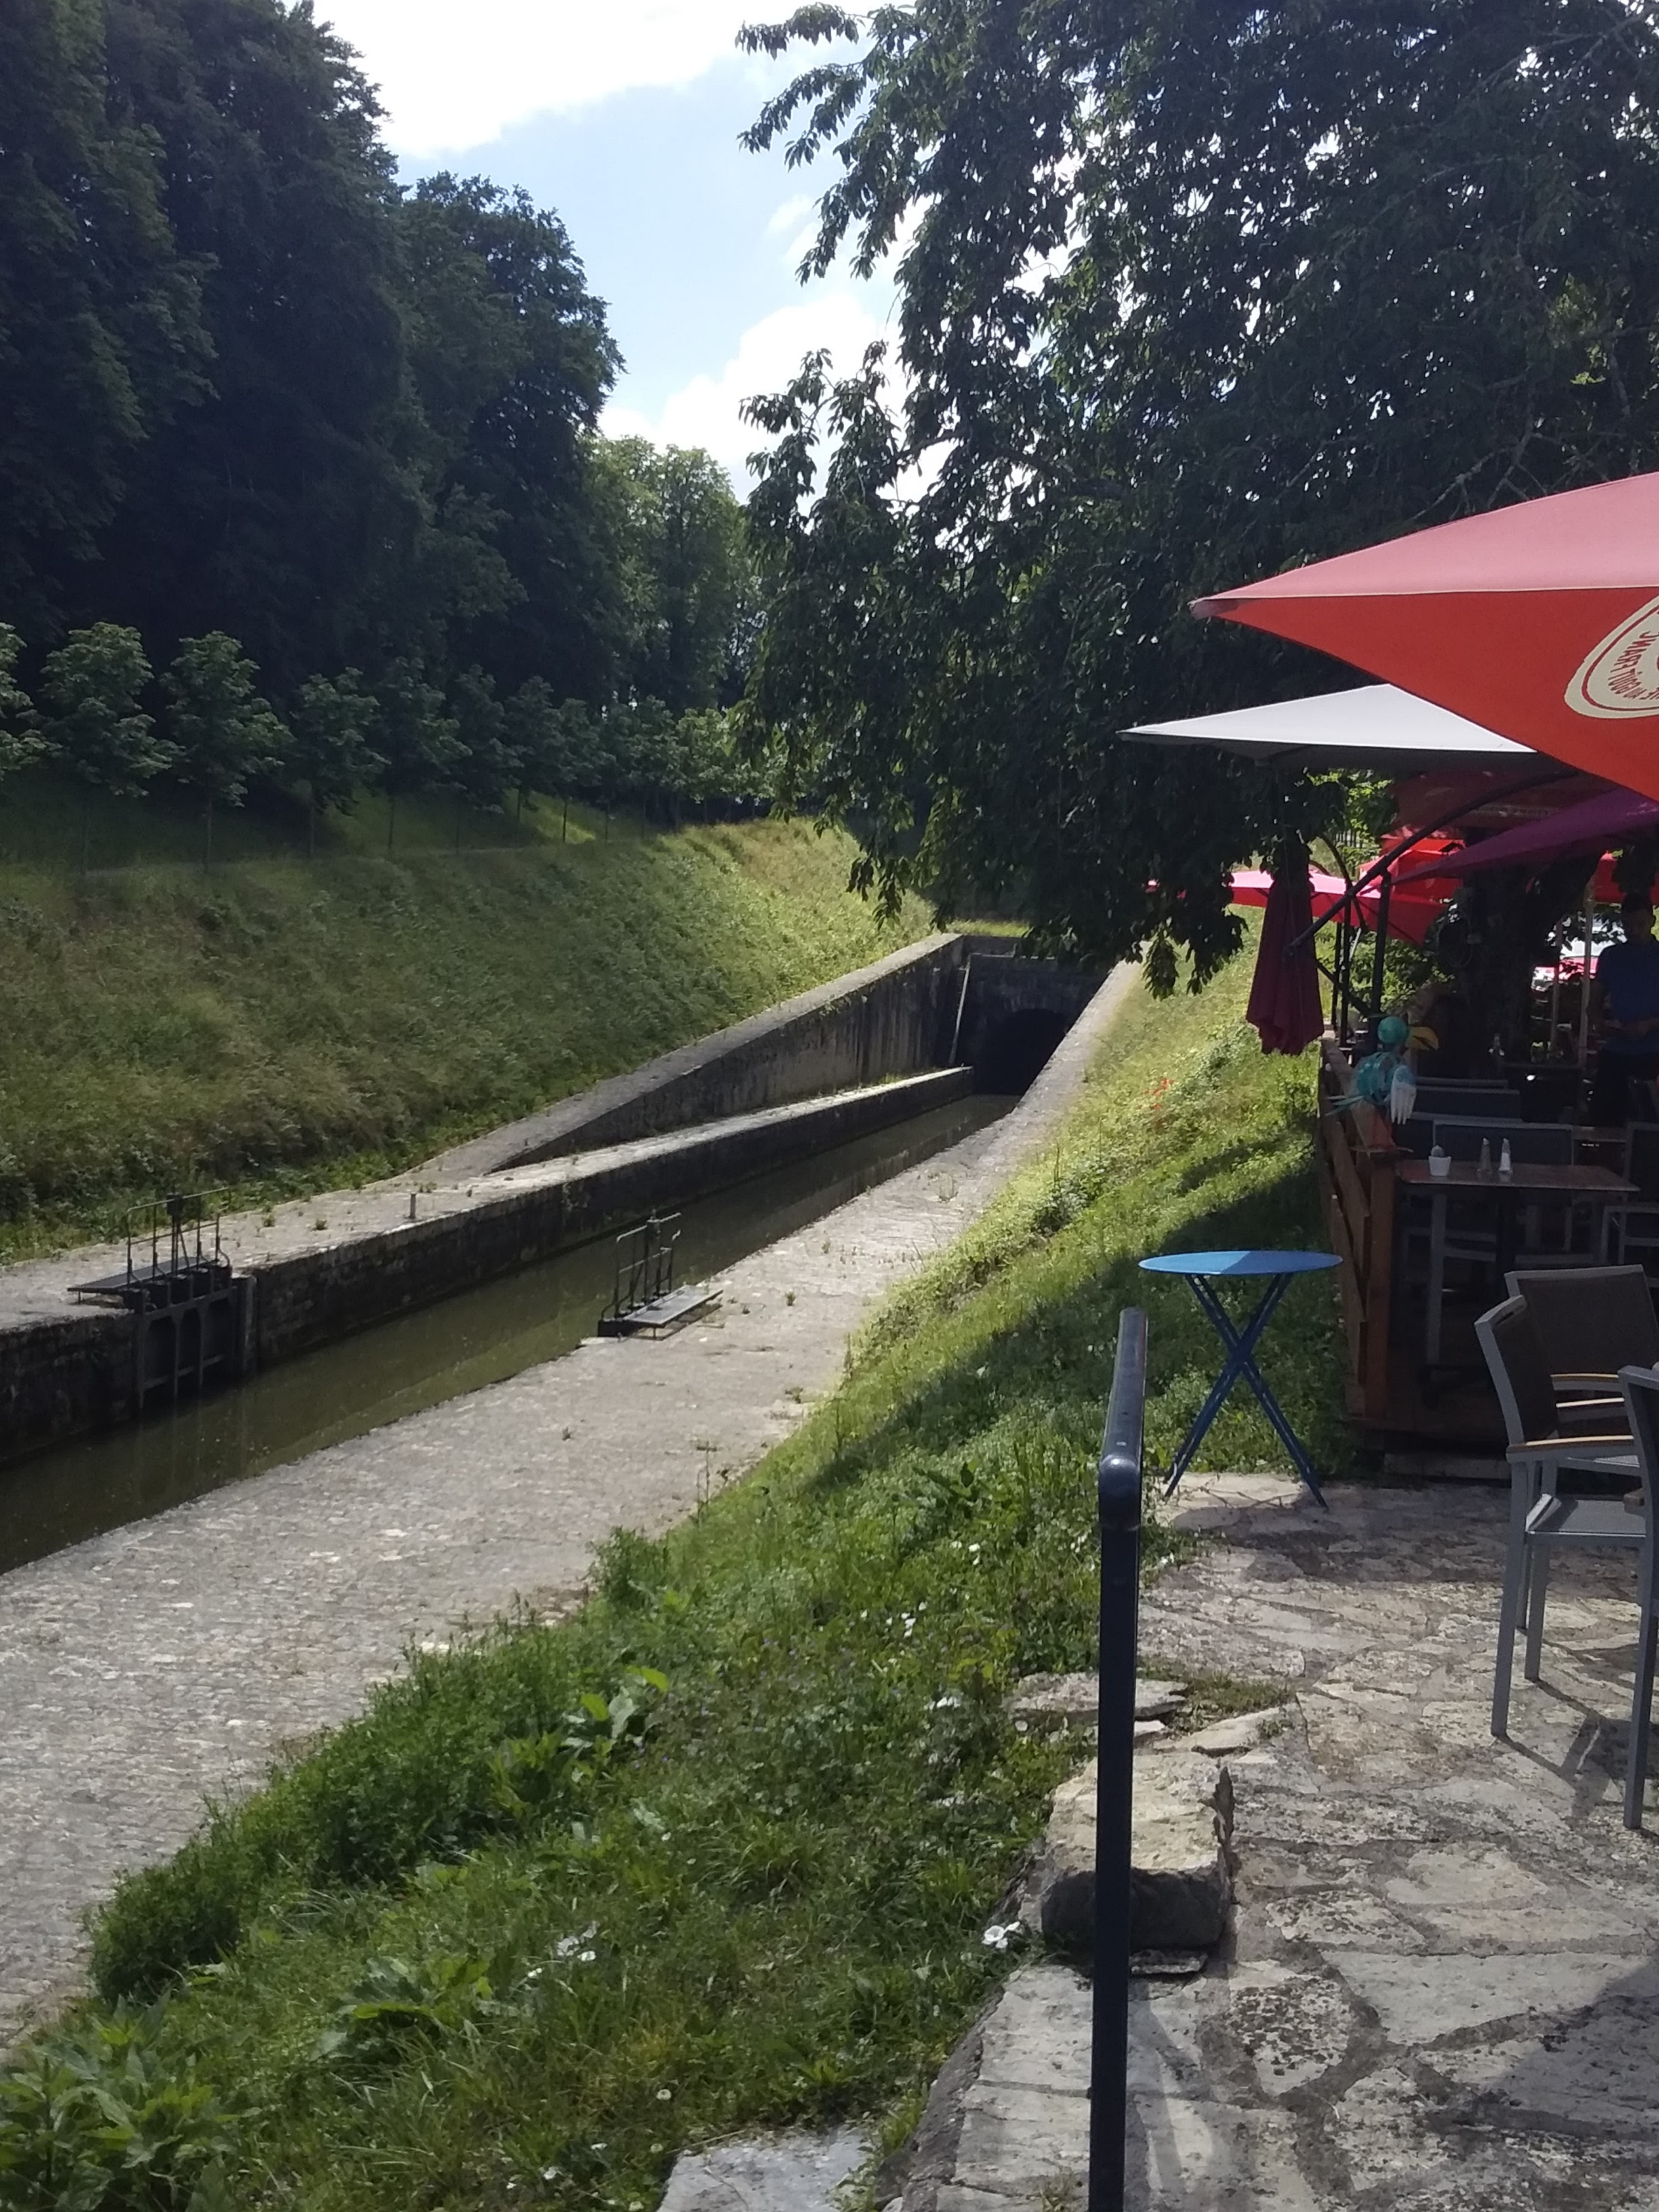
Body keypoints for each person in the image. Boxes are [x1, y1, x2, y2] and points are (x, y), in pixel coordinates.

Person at [1589, 893, 1659, 1123]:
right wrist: (1602, 1023)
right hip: (1616, 1050)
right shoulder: (1611, 956)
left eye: (1640, 924)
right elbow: (1594, 1004)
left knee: (1649, 1124)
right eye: (1628, 925)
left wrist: (1649, 1025)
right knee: (1603, 1120)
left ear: (1652, 921)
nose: (1634, 931)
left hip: (1654, 1052)